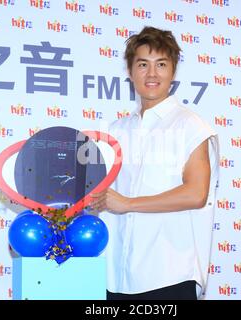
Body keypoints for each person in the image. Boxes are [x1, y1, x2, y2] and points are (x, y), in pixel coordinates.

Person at [90, 26, 219, 300]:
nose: (152, 74)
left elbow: (196, 193)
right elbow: (89, 190)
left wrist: (129, 203)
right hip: (115, 279)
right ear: (130, 71)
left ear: (173, 71)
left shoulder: (190, 126)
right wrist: (22, 179)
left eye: (161, 64)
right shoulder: (115, 131)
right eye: (143, 64)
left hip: (170, 278)